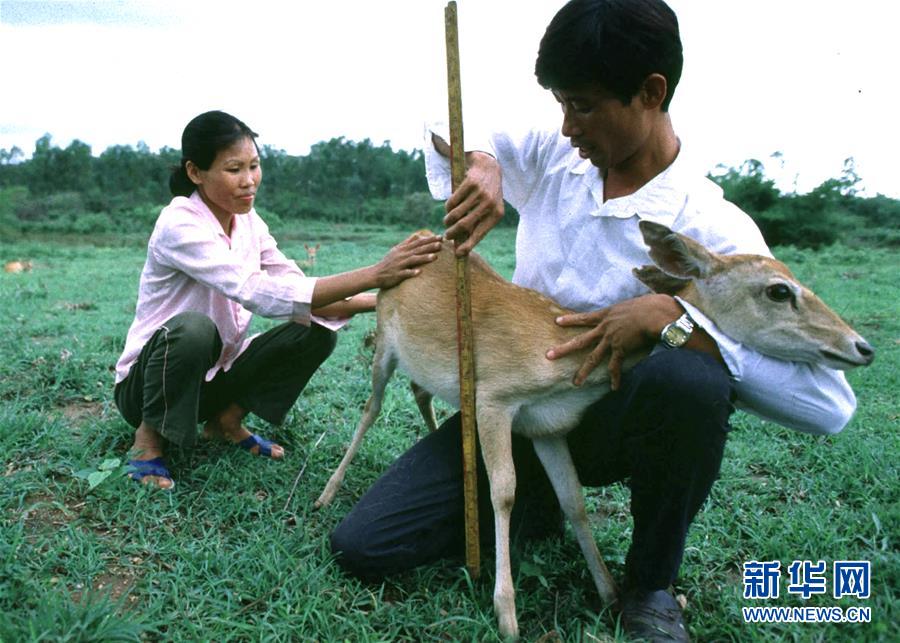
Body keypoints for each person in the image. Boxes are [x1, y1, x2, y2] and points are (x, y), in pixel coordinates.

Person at [328, 1, 858, 641]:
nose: (567, 124)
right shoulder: (559, 156)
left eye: (582, 105)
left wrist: (676, 321)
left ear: (650, 92)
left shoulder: (717, 231)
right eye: (559, 103)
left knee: (691, 382)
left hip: (610, 417)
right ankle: (538, 503)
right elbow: (443, 121)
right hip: (514, 401)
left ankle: (651, 587)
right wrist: (482, 162)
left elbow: (829, 405)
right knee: (363, 546)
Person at [114, 110, 442, 490]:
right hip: (149, 387)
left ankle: (225, 422)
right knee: (193, 329)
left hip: (212, 379)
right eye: (234, 169)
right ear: (195, 172)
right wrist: (376, 272)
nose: (249, 181)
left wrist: (389, 297)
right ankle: (148, 441)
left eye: (254, 166)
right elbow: (255, 291)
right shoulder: (180, 224)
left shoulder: (249, 223)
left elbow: (297, 289)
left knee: (315, 332)